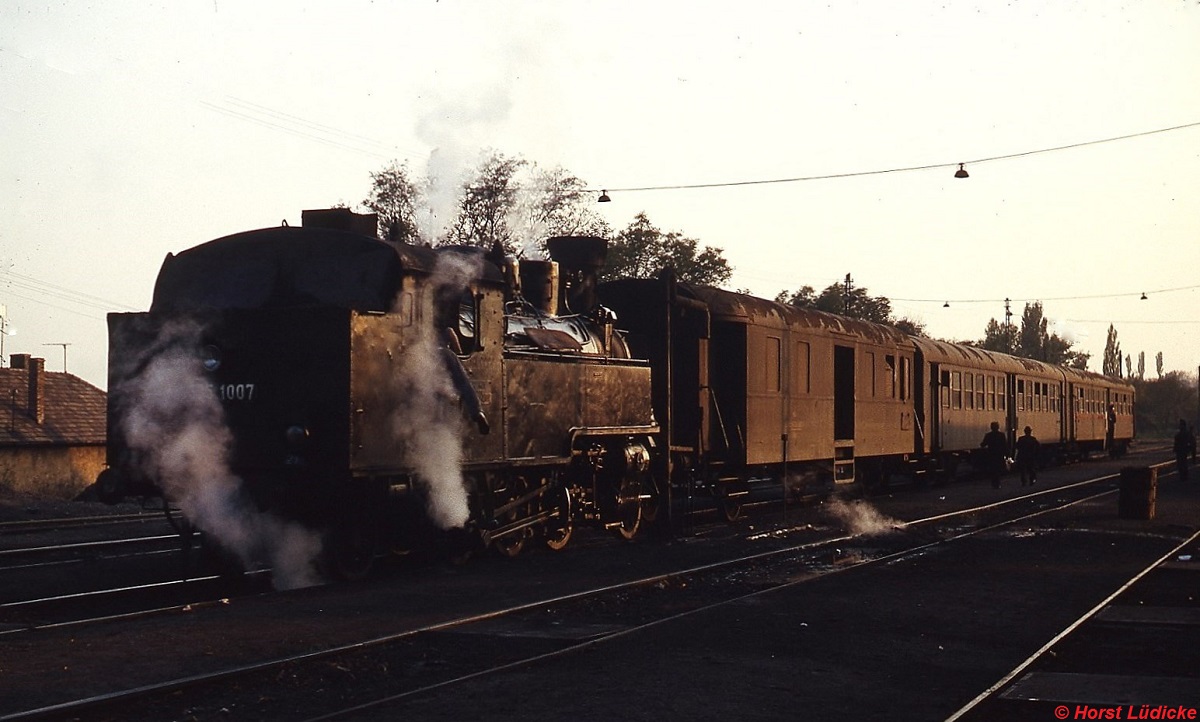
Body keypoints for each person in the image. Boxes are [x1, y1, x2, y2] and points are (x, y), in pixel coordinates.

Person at [980, 421, 1009, 489]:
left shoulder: (988, 435)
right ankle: (997, 483)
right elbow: (1004, 445)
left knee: (993, 469)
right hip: (999, 455)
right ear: (998, 427)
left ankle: (994, 483)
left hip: (991, 455)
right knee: (998, 469)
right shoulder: (1001, 435)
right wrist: (1007, 454)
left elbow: (983, 444)